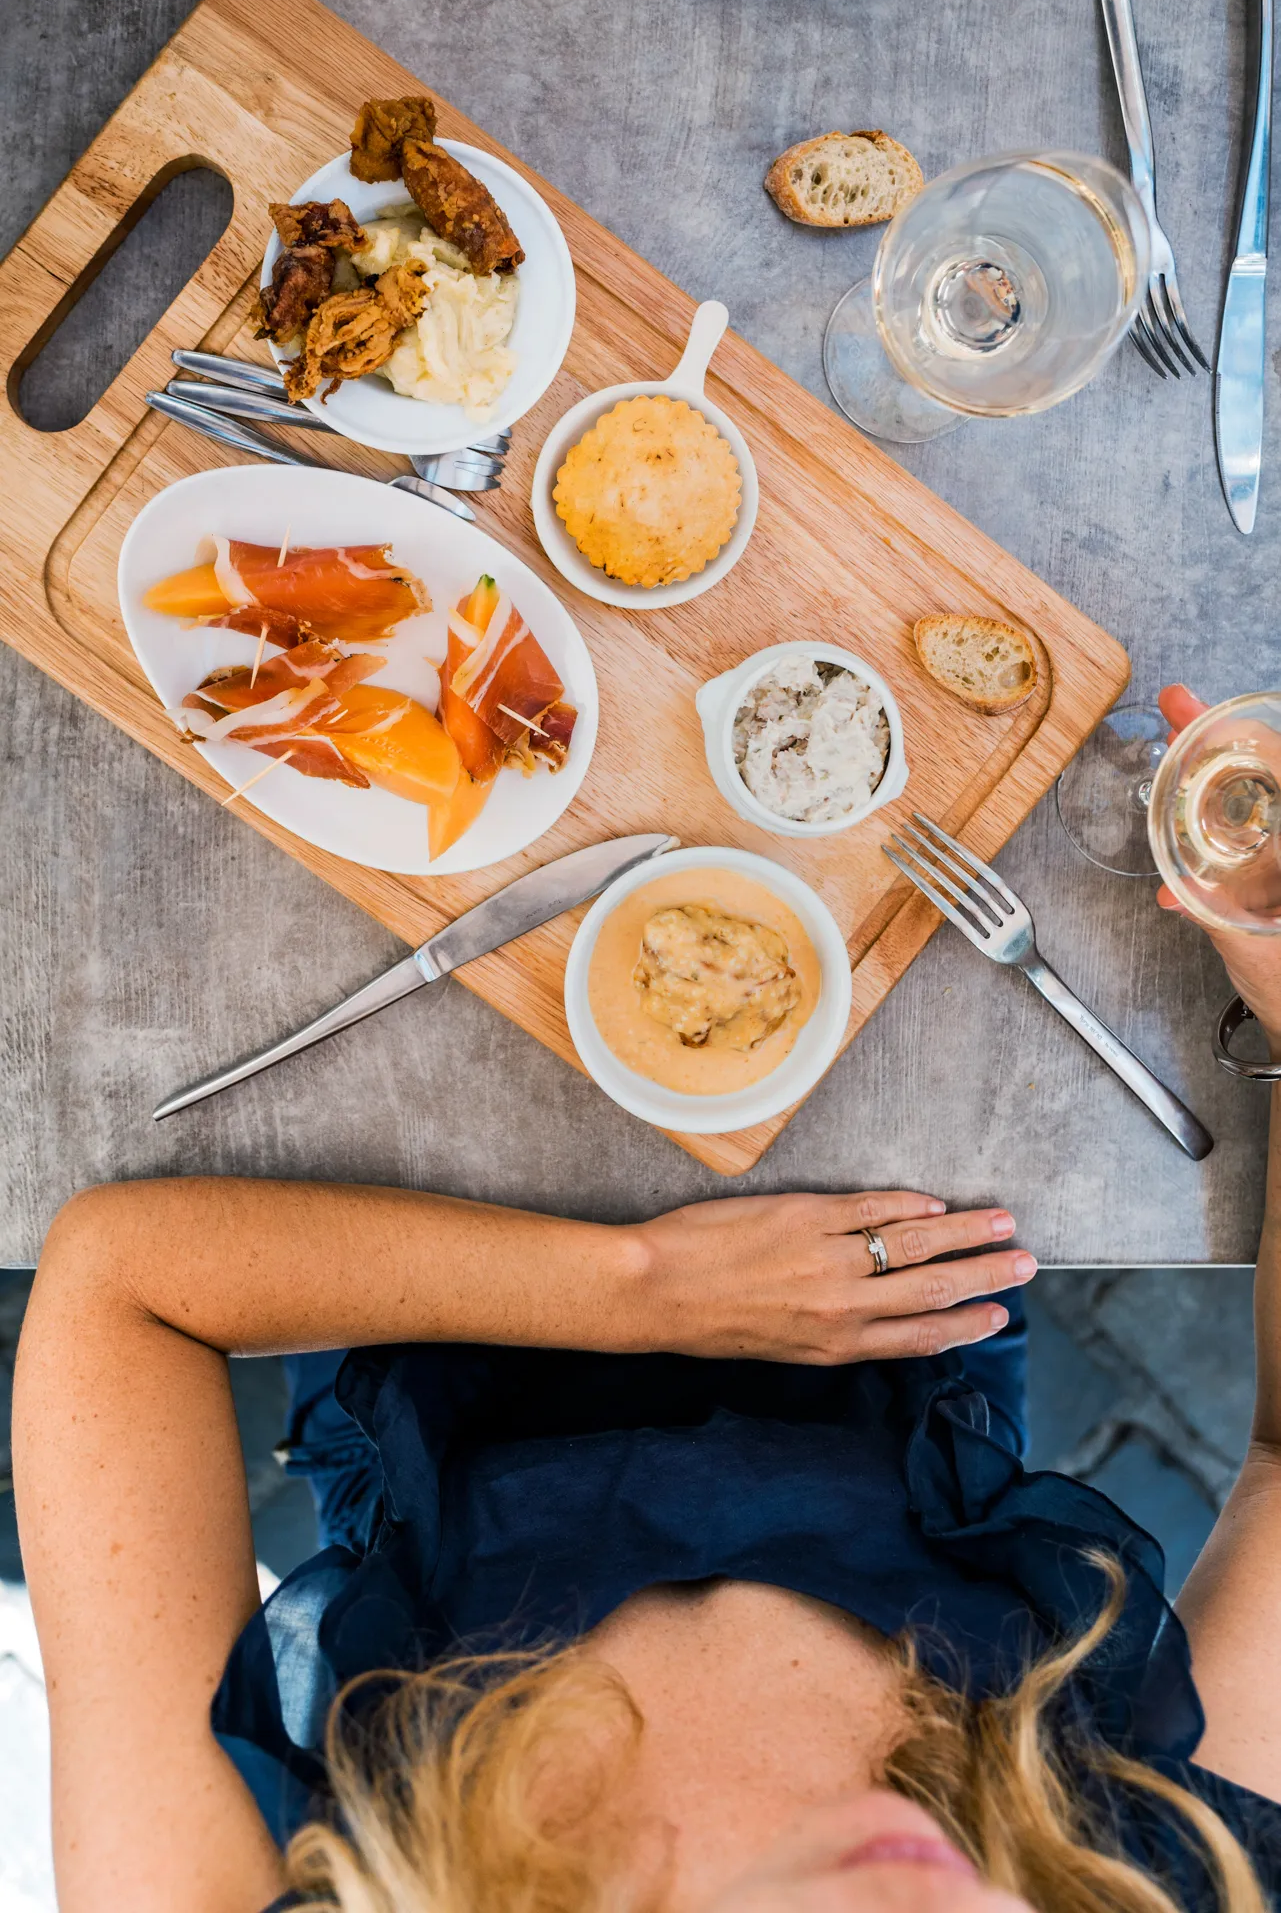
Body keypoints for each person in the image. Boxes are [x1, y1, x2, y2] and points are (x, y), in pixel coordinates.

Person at [14, 685, 1281, 1913]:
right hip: (888, 1321)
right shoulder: (1156, 1882)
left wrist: (644, 1290)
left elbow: (124, 1292)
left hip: (440, 1318)